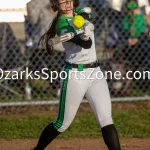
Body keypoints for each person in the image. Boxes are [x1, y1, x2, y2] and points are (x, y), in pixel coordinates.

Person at [31, 0, 121, 150]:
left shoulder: (77, 14)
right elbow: (86, 44)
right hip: (75, 75)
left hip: (96, 73)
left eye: (69, 1)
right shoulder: (62, 24)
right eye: (63, 3)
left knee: (106, 119)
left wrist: (86, 22)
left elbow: (85, 14)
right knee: (62, 124)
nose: (67, 5)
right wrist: (83, 36)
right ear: (56, 6)